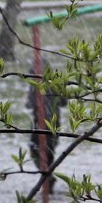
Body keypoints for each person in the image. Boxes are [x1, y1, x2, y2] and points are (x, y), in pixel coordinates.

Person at [26, 65, 62, 194]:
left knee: (39, 151)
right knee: (47, 152)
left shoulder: (36, 86)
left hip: (42, 125)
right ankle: (47, 177)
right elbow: (63, 101)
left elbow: (29, 104)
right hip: (53, 124)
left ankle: (47, 177)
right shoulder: (54, 83)